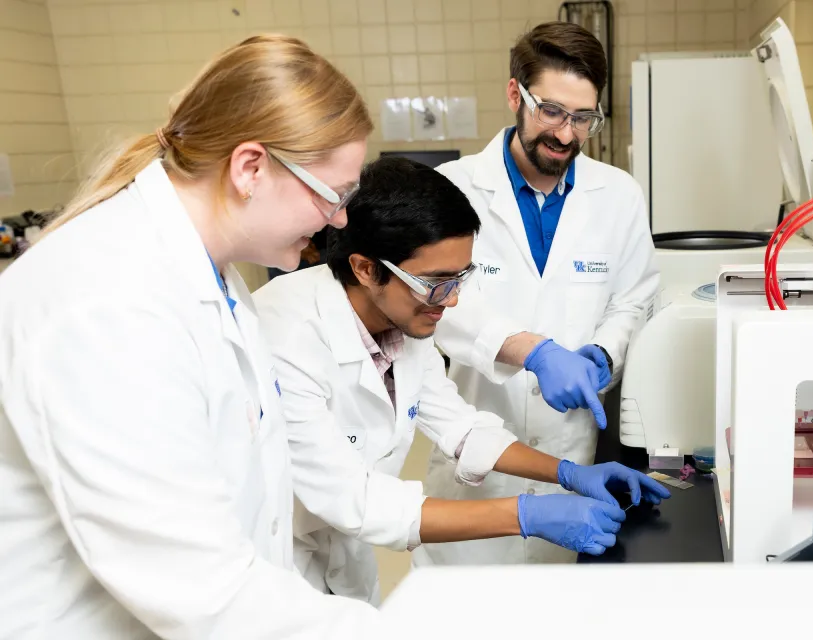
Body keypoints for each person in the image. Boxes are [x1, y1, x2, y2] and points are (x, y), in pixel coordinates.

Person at [0, 35, 383, 638]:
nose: (338, 220)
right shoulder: (108, 300)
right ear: (251, 167)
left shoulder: (213, 278)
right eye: (332, 195)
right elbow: (197, 585)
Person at [252, 156, 668, 604]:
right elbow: (355, 499)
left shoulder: (401, 322)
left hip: (341, 561)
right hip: (269, 566)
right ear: (366, 268)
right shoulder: (286, 334)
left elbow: (460, 427)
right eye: (435, 283)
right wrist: (526, 514)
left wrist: (568, 474)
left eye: (460, 280)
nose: (450, 302)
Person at [413, 21, 662, 568]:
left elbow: (634, 298)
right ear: (514, 94)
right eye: (551, 111)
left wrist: (603, 354)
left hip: (573, 454)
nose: (567, 135)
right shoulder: (452, 189)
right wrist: (534, 351)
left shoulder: (618, 194)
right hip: (474, 459)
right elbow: (435, 303)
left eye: (583, 118)